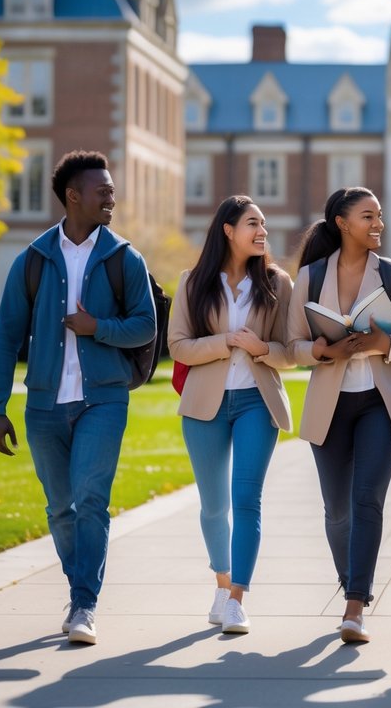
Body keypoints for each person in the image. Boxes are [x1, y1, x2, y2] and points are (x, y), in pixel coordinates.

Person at [0, 150, 156, 645]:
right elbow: (5, 337)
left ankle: (84, 604)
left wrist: (96, 328)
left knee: (90, 500)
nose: (111, 197)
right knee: (60, 508)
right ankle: (77, 586)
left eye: (112, 189)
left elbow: (146, 327)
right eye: (101, 190)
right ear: (72, 196)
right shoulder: (33, 260)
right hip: (43, 405)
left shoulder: (126, 258)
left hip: (102, 400)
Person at [286, 187, 391, 644]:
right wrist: (321, 349)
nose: (378, 223)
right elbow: (293, 345)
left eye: (380, 215)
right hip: (331, 404)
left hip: (382, 404)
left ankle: (354, 606)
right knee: (337, 511)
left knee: (367, 501)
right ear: (343, 223)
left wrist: (384, 343)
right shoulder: (309, 276)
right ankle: (353, 584)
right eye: (369, 216)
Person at [167, 195, 294, 635]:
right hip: (205, 406)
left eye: (263, 224)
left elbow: (290, 352)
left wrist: (261, 349)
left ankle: (238, 598)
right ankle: (221, 584)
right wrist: (228, 341)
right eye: (252, 224)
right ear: (228, 230)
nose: (262, 231)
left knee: (247, 501)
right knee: (214, 506)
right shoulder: (191, 283)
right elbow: (178, 346)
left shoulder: (279, 283)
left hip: (257, 403)